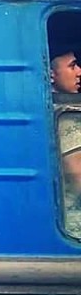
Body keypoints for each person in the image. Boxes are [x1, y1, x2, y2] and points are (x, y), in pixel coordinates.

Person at [51, 51, 81, 237]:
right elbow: (78, 176)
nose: (79, 72)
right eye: (72, 66)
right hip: (75, 224)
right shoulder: (68, 121)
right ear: (51, 74)